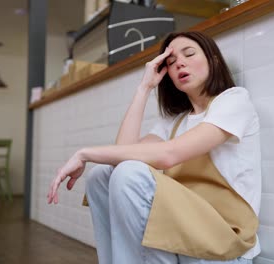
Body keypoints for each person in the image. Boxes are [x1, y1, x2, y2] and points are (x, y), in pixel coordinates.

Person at [47, 31, 261, 264]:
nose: (179, 62)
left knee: (130, 173)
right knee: (101, 175)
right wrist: (144, 87)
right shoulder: (174, 121)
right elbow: (122, 157)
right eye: (171, 62)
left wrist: (84, 153)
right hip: (184, 236)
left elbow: (169, 155)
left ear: (215, 60)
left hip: (223, 244)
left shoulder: (234, 101)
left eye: (189, 54)